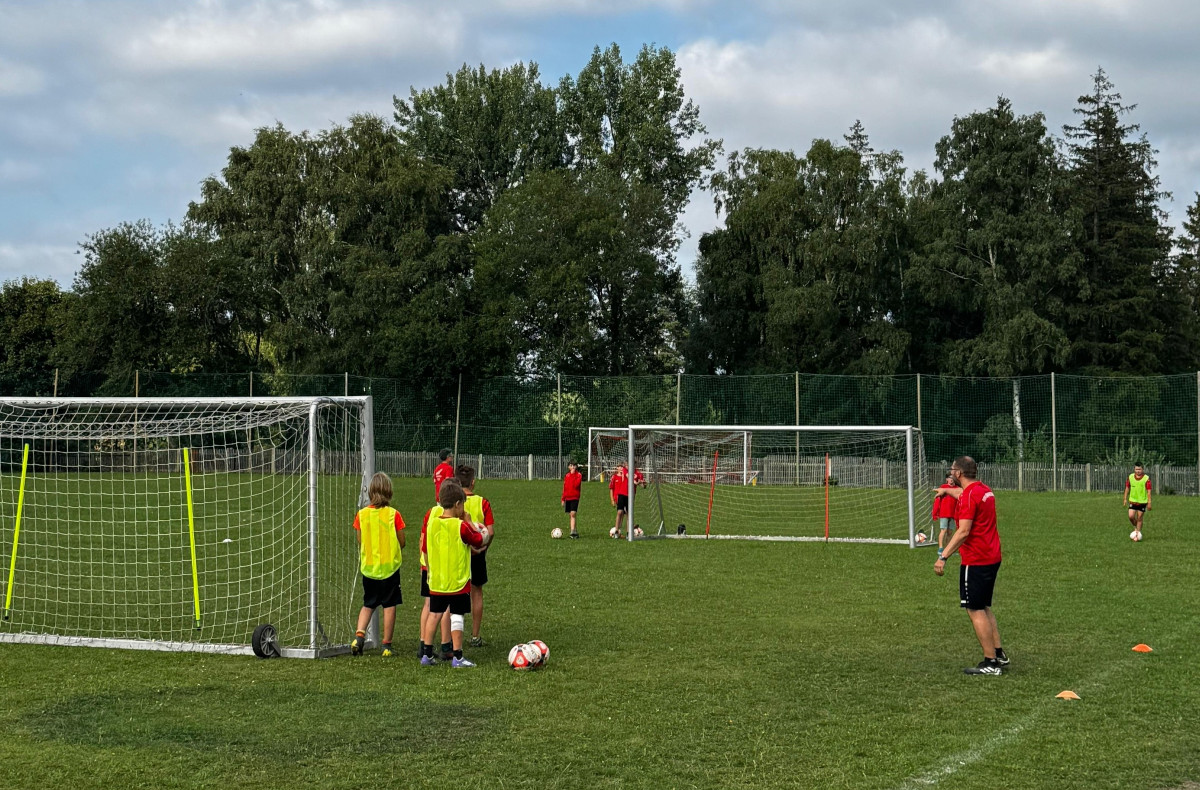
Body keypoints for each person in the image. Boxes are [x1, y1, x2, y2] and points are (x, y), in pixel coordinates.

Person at [933, 456, 1008, 675]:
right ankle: (999, 654)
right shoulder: (983, 490)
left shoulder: (968, 498)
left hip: (976, 559)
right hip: (992, 556)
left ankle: (990, 663)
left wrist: (943, 556)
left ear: (958, 473)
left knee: (974, 609)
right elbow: (964, 494)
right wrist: (946, 491)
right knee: (984, 607)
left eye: (952, 470)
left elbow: (964, 531)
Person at [420, 479, 489, 667]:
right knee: (457, 615)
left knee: (434, 614)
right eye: (463, 506)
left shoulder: (432, 524)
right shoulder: (461, 526)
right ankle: (458, 657)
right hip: (457, 581)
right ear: (458, 504)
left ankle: (426, 655)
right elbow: (478, 541)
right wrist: (470, 523)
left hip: (437, 581)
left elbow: (425, 549)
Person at [350, 472, 405, 658]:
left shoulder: (362, 515)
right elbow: (402, 541)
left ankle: (359, 636)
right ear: (389, 491)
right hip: (390, 569)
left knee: (368, 604)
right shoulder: (394, 515)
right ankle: (386, 645)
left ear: (371, 492)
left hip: (369, 569)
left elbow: (360, 540)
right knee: (389, 606)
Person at [457, 464, 494, 647]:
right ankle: (475, 636)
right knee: (476, 592)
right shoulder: (482, 502)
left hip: (457, 553)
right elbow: (491, 531)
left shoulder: (449, 502)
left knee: (455, 593)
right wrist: (483, 548)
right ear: (473, 482)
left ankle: (452, 637)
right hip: (477, 552)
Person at [1123, 462, 1152, 540]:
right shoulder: (1130, 477)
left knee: (1139, 518)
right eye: (1136, 469)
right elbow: (1127, 488)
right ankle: (1136, 528)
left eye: (1139, 469)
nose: (1138, 471)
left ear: (1142, 469)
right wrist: (1125, 498)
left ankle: (1137, 535)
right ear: (1134, 469)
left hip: (1142, 501)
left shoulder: (1146, 479)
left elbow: (1149, 491)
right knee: (1131, 516)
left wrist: (1149, 503)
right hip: (1133, 500)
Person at [932, 473, 959, 551]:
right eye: (950, 478)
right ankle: (940, 548)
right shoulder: (943, 487)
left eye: (953, 478)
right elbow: (937, 501)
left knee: (950, 532)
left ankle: (948, 549)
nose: (951, 480)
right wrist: (935, 512)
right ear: (947, 479)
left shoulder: (957, 489)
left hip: (953, 514)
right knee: (943, 530)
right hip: (944, 513)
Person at [608, 462, 629, 537]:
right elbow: (611, 488)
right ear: (617, 468)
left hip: (625, 496)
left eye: (622, 467)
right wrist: (612, 500)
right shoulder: (614, 477)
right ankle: (617, 530)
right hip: (617, 498)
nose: (620, 468)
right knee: (620, 512)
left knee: (624, 513)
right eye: (619, 467)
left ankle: (620, 530)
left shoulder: (625, 477)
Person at [562, 461, 582, 538]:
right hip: (568, 497)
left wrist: (573, 475)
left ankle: (573, 531)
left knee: (573, 513)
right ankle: (574, 531)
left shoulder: (578, 475)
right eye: (571, 465)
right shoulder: (567, 476)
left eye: (574, 465)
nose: (573, 467)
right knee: (571, 515)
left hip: (575, 497)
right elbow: (565, 488)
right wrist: (563, 499)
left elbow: (576, 485)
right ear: (568, 467)